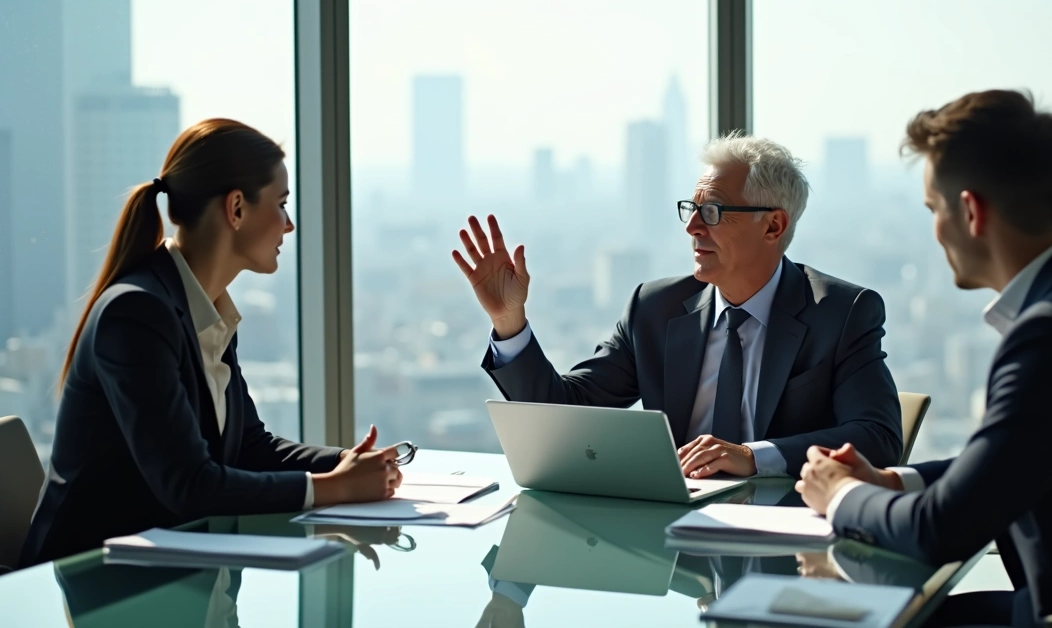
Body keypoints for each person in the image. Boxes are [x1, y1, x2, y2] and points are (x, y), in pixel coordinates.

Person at [795, 90, 1052, 626]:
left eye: (933, 209)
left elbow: (938, 530)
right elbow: (1016, 459)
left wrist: (842, 493)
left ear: (970, 211)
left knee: (838, 617)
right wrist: (891, 481)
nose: (935, 230)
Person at [20, 119, 403, 568]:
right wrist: (335, 488)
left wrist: (348, 463)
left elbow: (249, 448)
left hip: (180, 576)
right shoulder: (137, 313)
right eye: (281, 205)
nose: (290, 224)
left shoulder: (207, 308)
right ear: (236, 208)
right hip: (100, 587)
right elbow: (188, 486)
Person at [453, 133, 903, 479]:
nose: (691, 227)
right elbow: (563, 416)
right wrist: (509, 322)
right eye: (691, 208)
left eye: (712, 212)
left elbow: (878, 439)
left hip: (787, 543)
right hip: (675, 549)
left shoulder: (841, 313)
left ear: (773, 226)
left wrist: (752, 457)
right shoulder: (655, 309)